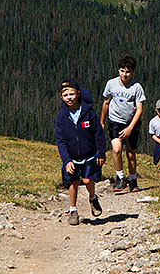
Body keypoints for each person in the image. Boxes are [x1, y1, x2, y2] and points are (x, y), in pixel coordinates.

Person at [54, 79, 106, 225]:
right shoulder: (61, 117)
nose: (69, 97)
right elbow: (60, 141)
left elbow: (98, 134)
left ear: (78, 94)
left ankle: (93, 197)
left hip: (89, 155)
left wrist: (101, 152)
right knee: (73, 182)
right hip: (71, 157)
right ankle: (73, 210)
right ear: (61, 97)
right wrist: (66, 160)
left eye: (71, 94)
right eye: (65, 95)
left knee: (88, 180)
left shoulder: (89, 113)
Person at [101, 55, 146, 192]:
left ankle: (132, 179)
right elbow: (106, 102)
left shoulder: (136, 87)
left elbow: (139, 110)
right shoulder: (111, 84)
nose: (124, 74)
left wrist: (130, 128)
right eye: (122, 71)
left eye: (127, 72)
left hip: (131, 123)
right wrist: (102, 121)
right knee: (116, 149)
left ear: (132, 72)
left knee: (131, 154)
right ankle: (120, 178)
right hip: (114, 121)